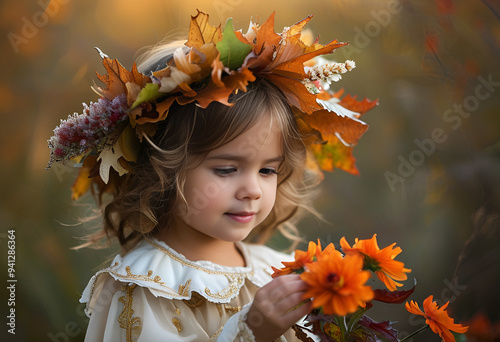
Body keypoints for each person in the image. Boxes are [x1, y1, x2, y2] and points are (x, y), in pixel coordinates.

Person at [47, 10, 375, 341]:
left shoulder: (278, 271)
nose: (252, 190)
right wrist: (252, 332)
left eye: (267, 170)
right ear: (161, 168)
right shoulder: (145, 288)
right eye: (226, 169)